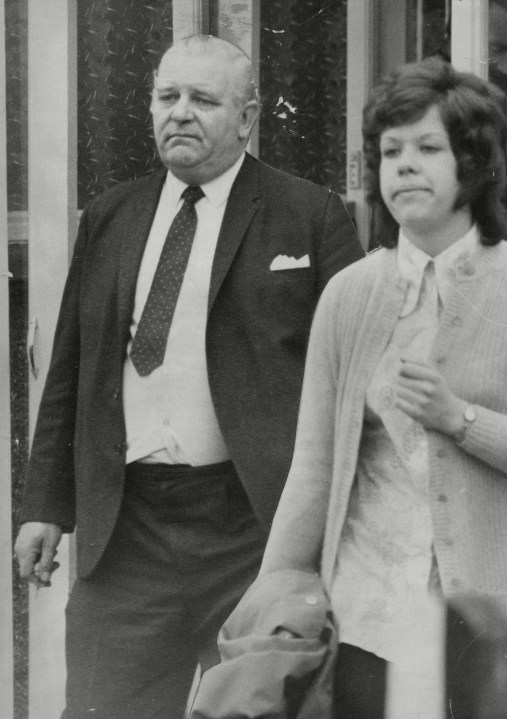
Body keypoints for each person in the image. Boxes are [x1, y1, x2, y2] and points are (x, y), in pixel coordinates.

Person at [14, 34, 364, 719]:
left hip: (256, 525)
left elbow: (357, 378)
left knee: (265, 709)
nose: (179, 113)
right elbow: (72, 371)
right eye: (166, 97)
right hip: (129, 529)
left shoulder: (310, 214)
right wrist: (44, 507)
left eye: (202, 99)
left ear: (247, 116)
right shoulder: (111, 216)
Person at [253, 57, 507, 718]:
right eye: (390, 151)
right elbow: (315, 468)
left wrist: (459, 416)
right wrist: (268, 611)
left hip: (495, 628)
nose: (404, 165)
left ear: (473, 163)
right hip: (367, 620)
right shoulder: (349, 296)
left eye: (427, 148)